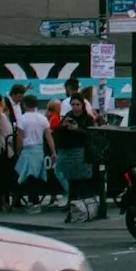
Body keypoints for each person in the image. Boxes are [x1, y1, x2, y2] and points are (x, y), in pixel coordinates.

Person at [53, 93, 95, 221]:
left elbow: (90, 134)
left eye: (77, 104)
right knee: (72, 182)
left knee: (81, 182)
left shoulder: (87, 118)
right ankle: (72, 210)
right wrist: (63, 126)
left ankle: (83, 210)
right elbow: (57, 132)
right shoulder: (68, 116)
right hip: (69, 152)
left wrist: (77, 129)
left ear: (82, 105)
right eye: (73, 105)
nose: (75, 107)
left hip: (81, 152)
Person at [13, 95, 56, 212]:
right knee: (34, 176)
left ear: (24, 105)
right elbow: (49, 137)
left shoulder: (22, 119)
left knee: (24, 175)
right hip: (39, 149)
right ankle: (34, 201)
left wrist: (18, 151)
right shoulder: (42, 118)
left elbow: (20, 137)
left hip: (27, 150)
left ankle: (33, 202)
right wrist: (53, 152)